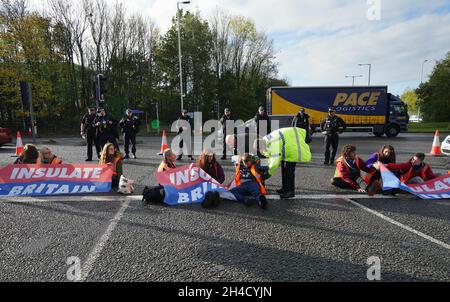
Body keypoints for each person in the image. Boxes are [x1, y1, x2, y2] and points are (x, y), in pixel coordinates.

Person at [254, 127, 312, 199]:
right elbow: (270, 154)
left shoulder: (273, 143)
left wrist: (267, 174)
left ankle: (290, 191)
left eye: (260, 149)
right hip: (289, 142)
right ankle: (285, 188)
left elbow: (274, 163)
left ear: (261, 145)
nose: (261, 151)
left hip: (292, 149)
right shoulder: (265, 140)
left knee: (289, 171)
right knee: (284, 170)